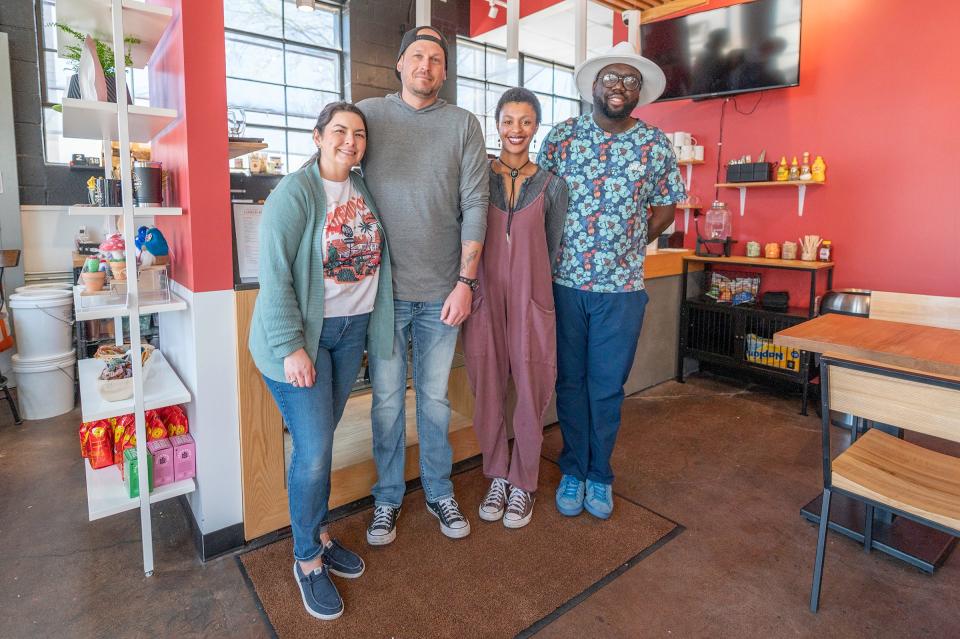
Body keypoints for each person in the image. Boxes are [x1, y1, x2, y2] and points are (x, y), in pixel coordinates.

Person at [248, 102, 395, 621]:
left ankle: (319, 530)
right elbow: (275, 277)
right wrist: (292, 348)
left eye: (358, 134)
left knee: (322, 444)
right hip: (301, 340)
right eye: (339, 131)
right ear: (317, 136)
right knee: (311, 451)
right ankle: (307, 557)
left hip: (349, 334)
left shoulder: (363, 189)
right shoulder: (294, 194)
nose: (349, 141)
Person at [537, 42, 685, 520]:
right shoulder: (562, 138)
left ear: (638, 92)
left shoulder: (654, 144)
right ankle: (573, 468)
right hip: (565, 284)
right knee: (571, 383)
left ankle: (600, 474)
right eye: (611, 78)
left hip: (621, 290)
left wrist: (630, 240)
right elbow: (539, 201)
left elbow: (666, 204)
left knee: (606, 386)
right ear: (594, 86)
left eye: (629, 81)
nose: (619, 87)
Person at [357, 27, 488, 544]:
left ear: (445, 71)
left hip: (442, 291)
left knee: (433, 400)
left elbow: (476, 202)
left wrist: (466, 283)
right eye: (417, 56)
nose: (426, 66)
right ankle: (387, 498)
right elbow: (333, 171)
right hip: (382, 292)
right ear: (399, 63)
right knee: (387, 400)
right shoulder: (368, 116)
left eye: (436, 59)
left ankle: (439, 492)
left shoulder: (463, 124)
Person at [462, 88, 567, 529]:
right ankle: (497, 474)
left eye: (525, 122)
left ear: (536, 127)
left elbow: (554, 245)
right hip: (483, 298)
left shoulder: (552, 185)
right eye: (508, 121)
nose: (516, 131)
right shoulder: (476, 180)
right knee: (486, 388)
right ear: (497, 124)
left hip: (531, 300)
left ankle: (523, 481)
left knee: (531, 387)